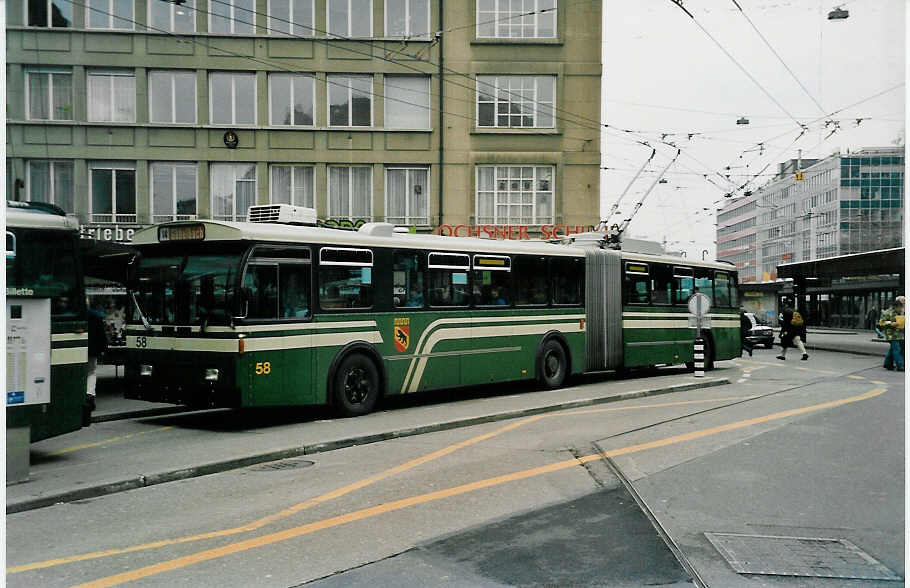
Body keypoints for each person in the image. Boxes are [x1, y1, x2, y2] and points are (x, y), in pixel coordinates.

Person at [86, 306, 108, 411]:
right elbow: (102, 336)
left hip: (76, 349)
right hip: (92, 351)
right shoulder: (95, 316)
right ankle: (89, 395)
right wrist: (103, 349)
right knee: (91, 373)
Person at [878, 296, 905, 371]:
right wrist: (892, 323)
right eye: (900, 307)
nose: (901, 309)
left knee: (893, 349)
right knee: (897, 350)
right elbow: (881, 322)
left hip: (899, 334)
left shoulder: (900, 313)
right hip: (891, 335)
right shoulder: (888, 312)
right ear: (896, 307)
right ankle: (900, 365)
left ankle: (887, 364)